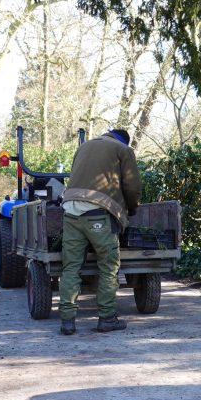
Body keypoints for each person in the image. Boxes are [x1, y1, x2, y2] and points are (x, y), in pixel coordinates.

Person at [58, 127, 142, 335]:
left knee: (71, 267)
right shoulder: (123, 150)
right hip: (98, 213)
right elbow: (132, 187)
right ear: (125, 141)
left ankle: (67, 321)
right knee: (109, 266)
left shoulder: (84, 146)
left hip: (70, 211)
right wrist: (132, 208)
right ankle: (107, 318)